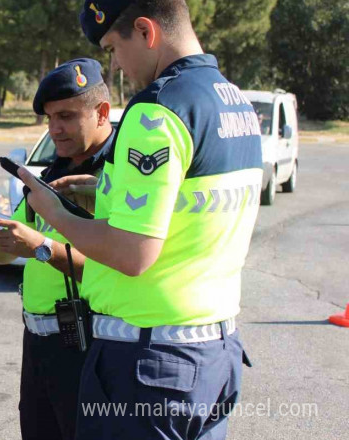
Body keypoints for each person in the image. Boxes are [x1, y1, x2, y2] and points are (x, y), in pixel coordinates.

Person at [18, 2, 263, 439]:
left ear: (146, 31)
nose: (116, 64)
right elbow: (190, 204)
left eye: (114, 47)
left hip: (148, 367)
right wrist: (102, 193)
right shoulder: (234, 102)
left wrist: (53, 212)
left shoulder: (157, 108)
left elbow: (133, 253)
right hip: (213, 354)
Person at [0, 58, 115, 440]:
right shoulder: (47, 176)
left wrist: (43, 248)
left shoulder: (119, 176)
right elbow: (12, 251)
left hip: (96, 346)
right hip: (42, 346)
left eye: (65, 116)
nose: (55, 129)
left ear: (101, 113)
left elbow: (117, 265)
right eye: (49, 118)